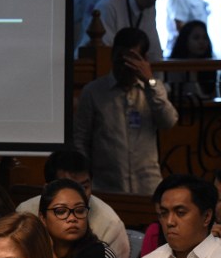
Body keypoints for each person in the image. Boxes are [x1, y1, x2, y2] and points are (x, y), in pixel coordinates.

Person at [74, 27, 179, 195]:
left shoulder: (153, 89)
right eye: (120, 60)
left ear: (144, 60)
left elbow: (169, 121)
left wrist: (150, 81)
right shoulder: (93, 91)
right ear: (112, 56)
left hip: (148, 187)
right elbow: (80, 139)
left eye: (131, 61)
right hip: (107, 188)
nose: (124, 67)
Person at [16, 150, 131, 258]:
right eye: (60, 211)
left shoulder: (110, 224)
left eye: (84, 187)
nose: (77, 194)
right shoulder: (25, 212)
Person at [94, 0, 166, 62]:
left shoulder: (150, 8)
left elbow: (153, 47)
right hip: (95, 65)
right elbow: (105, 48)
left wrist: (158, 76)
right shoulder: (109, 5)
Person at [167, 20, 215, 99]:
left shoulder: (210, 65)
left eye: (205, 38)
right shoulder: (175, 67)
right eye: (196, 38)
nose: (202, 42)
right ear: (185, 40)